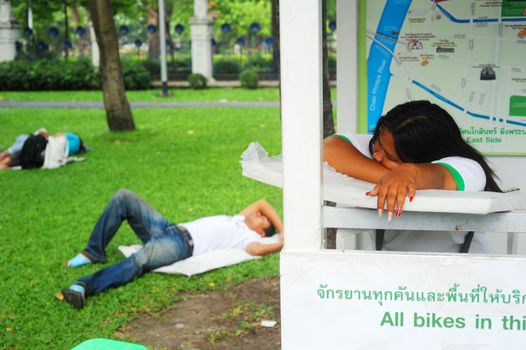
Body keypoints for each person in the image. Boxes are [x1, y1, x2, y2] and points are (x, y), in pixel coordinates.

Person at [323, 100, 501, 253]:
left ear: (426, 157)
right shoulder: (384, 145)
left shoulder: (468, 168)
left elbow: (440, 176)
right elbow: (328, 149)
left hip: (461, 282)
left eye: (391, 157)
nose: (376, 156)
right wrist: (395, 176)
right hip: (393, 281)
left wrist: (409, 173)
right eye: (376, 142)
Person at [60, 189, 284, 309]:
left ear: (262, 233)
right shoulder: (239, 218)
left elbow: (256, 251)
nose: (259, 214)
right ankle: (93, 251)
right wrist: (284, 228)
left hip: (180, 245)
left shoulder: (246, 237)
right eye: (260, 214)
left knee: (140, 260)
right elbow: (263, 201)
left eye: (263, 220)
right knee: (124, 197)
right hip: (169, 228)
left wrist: (283, 240)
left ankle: (83, 286)